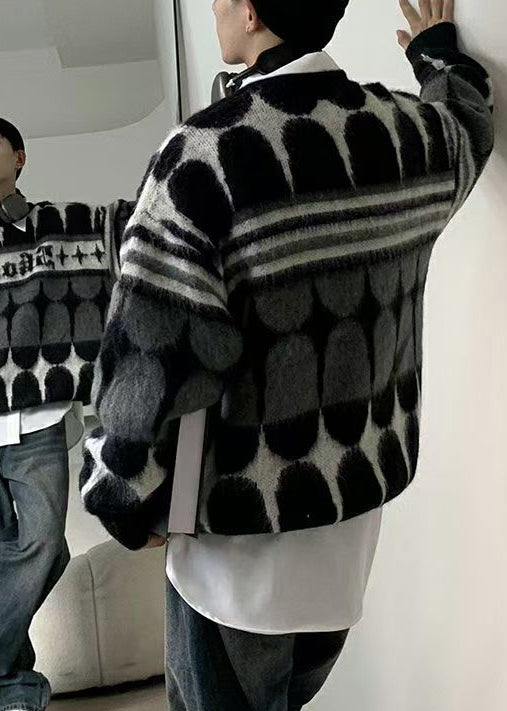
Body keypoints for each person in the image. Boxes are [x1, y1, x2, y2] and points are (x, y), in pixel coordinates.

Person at [80, 0, 494, 709]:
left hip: (236, 548)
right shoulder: (404, 134)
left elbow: (152, 355)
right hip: (348, 532)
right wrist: (437, 55)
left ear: (249, 12)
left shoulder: (205, 155)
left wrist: (122, 498)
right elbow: (468, 128)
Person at [0, 118, 134, 711]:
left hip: (35, 422)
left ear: (19, 157)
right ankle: (14, 688)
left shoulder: (56, 229)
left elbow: (123, 228)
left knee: (44, 546)